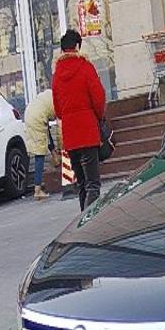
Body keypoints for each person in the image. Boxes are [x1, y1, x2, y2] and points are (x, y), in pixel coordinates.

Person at [52, 29, 107, 211]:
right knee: (93, 184)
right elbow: (98, 98)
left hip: (70, 135)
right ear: (77, 46)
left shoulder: (57, 74)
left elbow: (57, 109)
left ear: (62, 49)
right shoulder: (85, 67)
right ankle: (89, 221)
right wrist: (98, 117)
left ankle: (83, 216)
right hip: (87, 131)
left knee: (82, 184)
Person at [24, 88, 60, 201]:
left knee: (42, 143)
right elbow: (60, 129)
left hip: (29, 115)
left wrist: (54, 153)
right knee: (39, 154)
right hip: (37, 118)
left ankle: (55, 157)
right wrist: (60, 149)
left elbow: (47, 133)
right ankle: (37, 190)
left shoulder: (51, 94)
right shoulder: (60, 101)